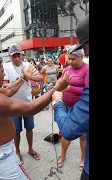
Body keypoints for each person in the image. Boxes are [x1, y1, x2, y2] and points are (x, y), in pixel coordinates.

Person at [0, 57, 71, 180]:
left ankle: (28, 150)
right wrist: (56, 89)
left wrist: (24, 77)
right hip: (1, 157)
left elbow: (8, 91)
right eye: (2, 71)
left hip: (4, 151)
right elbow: (30, 109)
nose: (3, 75)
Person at [52, 14, 89, 180]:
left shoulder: (87, 69)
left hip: (79, 108)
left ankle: (82, 158)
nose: (71, 62)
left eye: (74, 59)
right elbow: (59, 84)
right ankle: (63, 155)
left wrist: (62, 94)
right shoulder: (66, 70)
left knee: (80, 135)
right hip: (69, 106)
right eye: (69, 59)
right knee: (64, 135)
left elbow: (84, 92)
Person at [3, 44, 43, 164]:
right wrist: (20, 80)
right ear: (10, 57)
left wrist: (30, 76)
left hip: (27, 103)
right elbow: (4, 85)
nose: (16, 58)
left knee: (29, 128)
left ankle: (30, 149)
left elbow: (40, 77)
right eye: (13, 56)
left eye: (18, 55)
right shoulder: (6, 67)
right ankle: (18, 151)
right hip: (13, 105)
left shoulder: (27, 65)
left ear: (22, 55)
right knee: (16, 130)